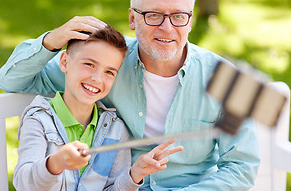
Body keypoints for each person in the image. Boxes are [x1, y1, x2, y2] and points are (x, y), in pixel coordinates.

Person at [0, 0, 260, 190]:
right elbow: (12, 81)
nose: (167, 28)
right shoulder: (106, 65)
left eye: (179, 16)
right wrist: (51, 40)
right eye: (154, 15)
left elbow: (241, 166)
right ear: (133, 19)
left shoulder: (228, 79)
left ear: (190, 22)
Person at [13, 26, 183, 191]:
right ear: (64, 62)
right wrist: (56, 163)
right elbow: (24, 184)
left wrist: (134, 174)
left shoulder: (115, 131)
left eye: (109, 72)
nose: (97, 79)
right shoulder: (39, 120)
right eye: (89, 64)